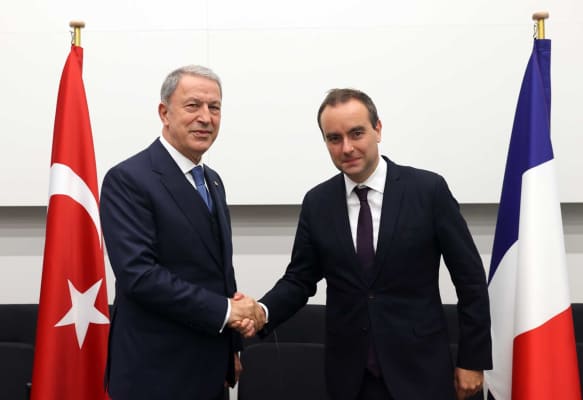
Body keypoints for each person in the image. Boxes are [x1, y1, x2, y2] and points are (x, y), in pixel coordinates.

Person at [254, 88, 492, 399]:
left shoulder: (427, 190)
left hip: (420, 372)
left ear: (377, 129)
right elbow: (300, 279)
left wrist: (473, 359)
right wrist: (261, 311)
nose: (347, 148)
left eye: (356, 133)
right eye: (334, 138)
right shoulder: (317, 202)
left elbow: (470, 278)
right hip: (351, 378)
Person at [100, 65, 261, 400]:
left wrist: (231, 347)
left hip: (210, 367)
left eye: (214, 107)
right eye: (193, 106)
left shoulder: (212, 180)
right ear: (164, 113)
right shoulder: (128, 179)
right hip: (155, 373)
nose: (205, 117)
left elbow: (220, 272)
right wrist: (227, 312)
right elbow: (139, 275)